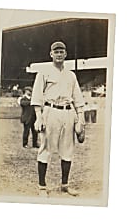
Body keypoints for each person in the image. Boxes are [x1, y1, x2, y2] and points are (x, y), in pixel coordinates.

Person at [31, 40, 86, 197]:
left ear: (66, 54)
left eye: (62, 52)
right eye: (56, 52)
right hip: (51, 111)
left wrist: (80, 119)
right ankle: (42, 187)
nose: (59, 54)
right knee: (45, 149)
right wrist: (39, 117)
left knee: (68, 150)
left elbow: (78, 99)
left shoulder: (71, 75)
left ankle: (65, 185)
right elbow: (37, 96)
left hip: (68, 112)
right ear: (51, 54)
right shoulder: (44, 72)